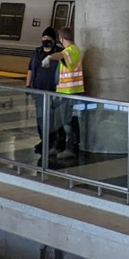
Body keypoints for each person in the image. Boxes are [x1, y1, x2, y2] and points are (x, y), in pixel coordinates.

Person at [44, 27, 85, 161]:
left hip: (70, 93)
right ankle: (58, 146)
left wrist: (49, 57)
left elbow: (61, 55)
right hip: (63, 92)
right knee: (61, 121)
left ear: (61, 39)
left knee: (68, 122)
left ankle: (70, 148)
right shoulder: (70, 51)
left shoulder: (72, 50)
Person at [26, 27, 60, 155]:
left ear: (53, 40)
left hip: (54, 92)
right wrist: (28, 85)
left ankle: (51, 141)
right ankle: (43, 139)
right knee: (40, 117)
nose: (45, 40)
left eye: (48, 38)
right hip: (39, 91)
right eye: (44, 37)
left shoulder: (59, 53)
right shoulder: (37, 53)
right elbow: (30, 69)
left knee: (52, 118)